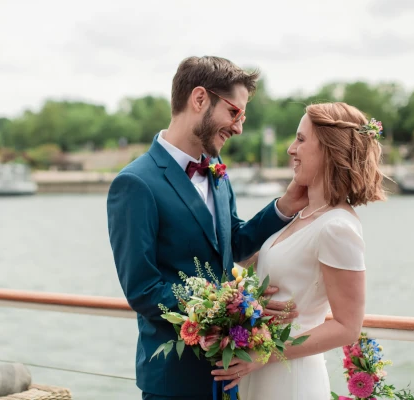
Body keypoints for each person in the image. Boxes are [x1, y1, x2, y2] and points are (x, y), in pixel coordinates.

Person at [107, 56, 308, 399]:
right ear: (199, 99)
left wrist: (284, 206)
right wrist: (228, 307)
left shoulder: (216, 171)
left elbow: (234, 242)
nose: (239, 127)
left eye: (242, 117)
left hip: (230, 370)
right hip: (175, 378)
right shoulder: (135, 184)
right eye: (234, 113)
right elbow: (142, 289)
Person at [211, 102, 386, 400]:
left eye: (301, 140)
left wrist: (261, 355)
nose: (291, 149)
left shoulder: (337, 226)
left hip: (290, 377)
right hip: (261, 372)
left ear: (330, 150)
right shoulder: (301, 214)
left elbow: (347, 326)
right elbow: (247, 259)